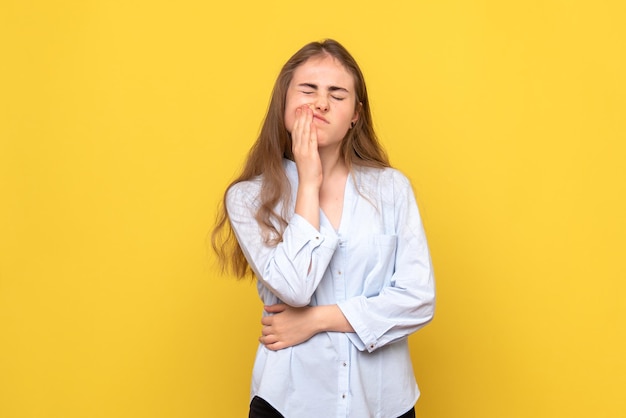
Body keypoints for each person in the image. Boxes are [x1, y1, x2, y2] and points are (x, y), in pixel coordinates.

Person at [212, 39, 435, 418]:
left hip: (383, 404)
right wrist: (309, 181)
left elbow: (418, 299)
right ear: (283, 103)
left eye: (337, 94)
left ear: (355, 115)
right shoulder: (248, 198)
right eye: (308, 90)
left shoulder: (392, 189)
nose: (320, 104)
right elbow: (296, 289)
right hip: (289, 402)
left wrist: (316, 320)